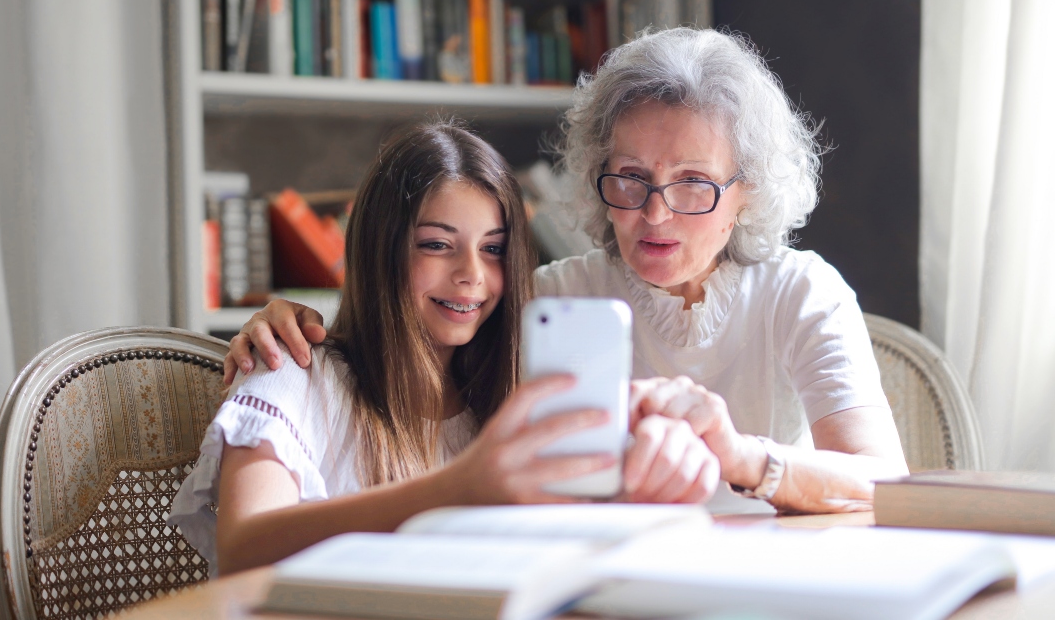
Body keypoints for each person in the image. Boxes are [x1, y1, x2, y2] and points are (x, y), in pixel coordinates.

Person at [223, 29, 910, 515]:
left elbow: (883, 481)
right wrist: (290, 322)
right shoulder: (547, 300)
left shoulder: (801, 290)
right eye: (631, 179)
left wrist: (740, 456)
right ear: (595, 173)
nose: (655, 215)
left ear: (747, 192)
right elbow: (409, 348)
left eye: (694, 184)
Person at [169, 121, 720, 577]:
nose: (471, 277)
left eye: (494, 250)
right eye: (437, 245)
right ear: (380, 249)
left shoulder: (509, 396)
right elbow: (243, 548)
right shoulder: (292, 371)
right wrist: (458, 488)